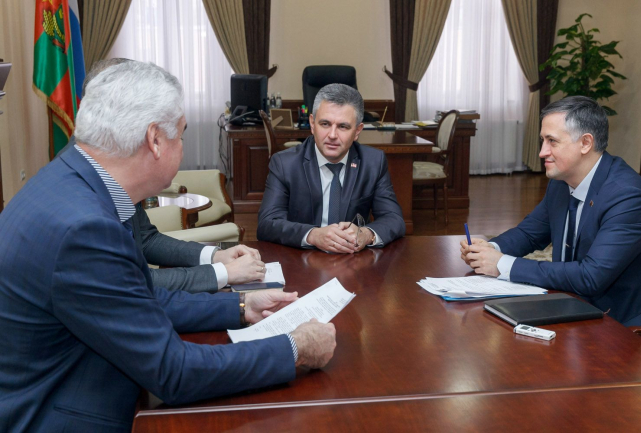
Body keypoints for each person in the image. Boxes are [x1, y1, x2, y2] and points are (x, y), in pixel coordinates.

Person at [0, 61, 336, 432]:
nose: (182, 146)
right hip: (63, 414)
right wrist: (295, 348)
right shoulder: (85, 229)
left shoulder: (75, 180)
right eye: (181, 135)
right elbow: (173, 372)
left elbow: (137, 298)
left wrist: (241, 306)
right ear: (155, 140)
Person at [58, 57, 260, 293]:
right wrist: (225, 275)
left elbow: (146, 239)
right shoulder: (79, 199)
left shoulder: (111, 169)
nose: (180, 146)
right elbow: (129, 285)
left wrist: (216, 256)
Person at [460, 96, 641, 325]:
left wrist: (502, 264)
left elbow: (591, 276)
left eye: (552, 141)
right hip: (569, 303)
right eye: (543, 140)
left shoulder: (628, 196)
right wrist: (490, 249)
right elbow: (530, 233)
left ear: (585, 143)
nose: (542, 152)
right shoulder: (561, 181)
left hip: (619, 324)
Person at [257, 83, 405, 253]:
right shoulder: (285, 164)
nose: (332, 135)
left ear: (357, 131)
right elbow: (267, 224)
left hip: (353, 259)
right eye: (325, 124)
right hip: (301, 257)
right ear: (312, 123)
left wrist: (366, 234)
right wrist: (313, 235)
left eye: (343, 126)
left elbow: (394, 219)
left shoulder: (373, 162)